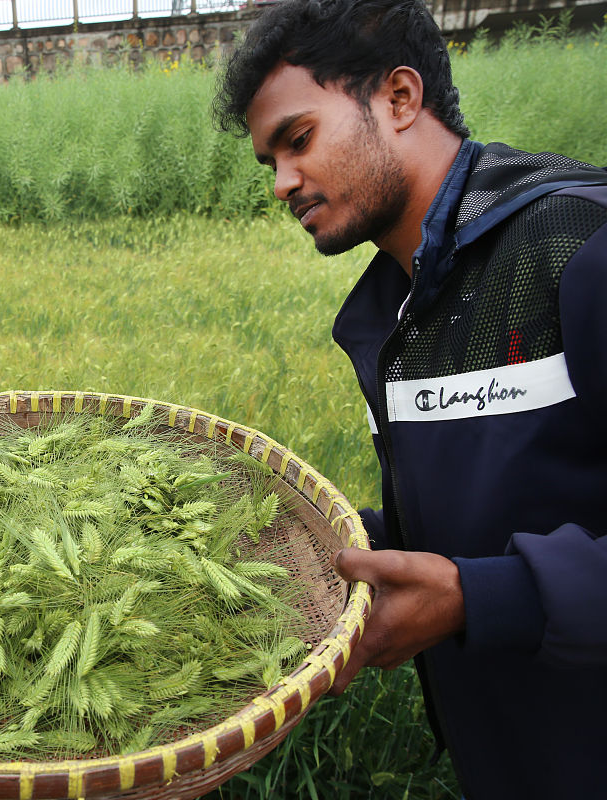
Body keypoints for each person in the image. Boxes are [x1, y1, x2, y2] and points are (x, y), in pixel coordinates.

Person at [214, 1, 606, 797]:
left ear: (398, 98)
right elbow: (490, 501)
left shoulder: (579, 248)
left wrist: (480, 598)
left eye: (298, 140)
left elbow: (484, 578)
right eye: (270, 163)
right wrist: (323, 544)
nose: (283, 182)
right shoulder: (392, 308)